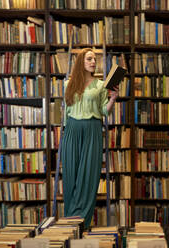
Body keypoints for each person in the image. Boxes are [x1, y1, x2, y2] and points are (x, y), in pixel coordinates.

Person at [61, 48, 118, 228]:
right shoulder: (68, 84)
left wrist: (113, 98)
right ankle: (70, 221)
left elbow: (103, 111)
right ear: (81, 62)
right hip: (72, 129)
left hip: (92, 129)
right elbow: (66, 111)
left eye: (95, 59)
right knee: (71, 175)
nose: (93, 62)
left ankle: (82, 224)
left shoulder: (100, 85)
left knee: (88, 176)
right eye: (89, 59)